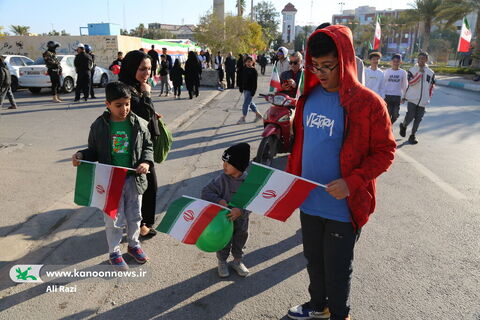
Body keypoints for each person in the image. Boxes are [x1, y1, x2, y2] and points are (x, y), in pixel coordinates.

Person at [286, 25, 396, 320]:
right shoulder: (307, 99)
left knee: (337, 270)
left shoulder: (369, 104)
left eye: (328, 66)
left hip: (343, 208)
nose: (321, 73)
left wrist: (352, 182)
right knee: (314, 262)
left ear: (344, 61)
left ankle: (338, 314)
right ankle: (317, 305)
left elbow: (386, 152)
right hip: (308, 202)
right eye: (315, 66)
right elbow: (301, 146)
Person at [71, 81, 153, 270]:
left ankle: (134, 245)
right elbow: (93, 151)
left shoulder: (139, 124)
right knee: (114, 219)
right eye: (118, 105)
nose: (124, 109)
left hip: (134, 180)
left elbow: (148, 147)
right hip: (110, 182)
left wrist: (145, 162)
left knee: (135, 216)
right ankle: (114, 251)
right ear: (107, 104)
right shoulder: (99, 126)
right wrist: (81, 155)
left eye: (127, 104)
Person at [118, 50, 162, 238]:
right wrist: (147, 96)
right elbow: (141, 115)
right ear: (131, 68)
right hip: (132, 148)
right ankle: (140, 225)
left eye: (150, 69)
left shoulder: (136, 86)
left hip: (143, 144)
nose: (147, 73)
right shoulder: (126, 90)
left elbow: (145, 115)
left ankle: (139, 223)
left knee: (147, 185)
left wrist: (153, 114)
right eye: (142, 69)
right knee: (144, 186)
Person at [201, 143, 251, 278]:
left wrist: (241, 211)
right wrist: (219, 201)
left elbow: (253, 202)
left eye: (228, 163)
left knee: (240, 239)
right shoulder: (221, 179)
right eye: (223, 162)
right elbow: (206, 191)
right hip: (223, 221)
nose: (224, 166)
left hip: (241, 222)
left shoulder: (249, 182)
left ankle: (237, 261)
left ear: (239, 166)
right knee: (223, 241)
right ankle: (222, 261)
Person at [399, 52, 435, 144]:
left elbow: (431, 86)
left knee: (418, 119)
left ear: (426, 60)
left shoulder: (430, 72)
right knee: (410, 116)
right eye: (419, 58)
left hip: (423, 100)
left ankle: (412, 135)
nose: (421, 60)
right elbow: (410, 83)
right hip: (412, 98)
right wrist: (419, 74)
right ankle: (404, 125)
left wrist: (428, 98)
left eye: (423, 58)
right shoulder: (412, 70)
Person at [383, 54, 408, 125]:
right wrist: (382, 95)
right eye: (394, 61)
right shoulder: (387, 71)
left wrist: (404, 96)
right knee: (388, 114)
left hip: (397, 96)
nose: (396, 63)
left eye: (398, 61)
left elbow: (404, 85)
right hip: (387, 96)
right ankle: (388, 128)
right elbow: (383, 84)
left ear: (400, 62)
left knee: (395, 115)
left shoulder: (403, 72)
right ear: (391, 62)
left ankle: (389, 126)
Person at [238, 56, 263, 124]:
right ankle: (258, 115)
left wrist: (253, 91)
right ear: (245, 62)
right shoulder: (244, 69)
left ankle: (243, 118)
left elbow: (255, 83)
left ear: (252, 62)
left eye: (250, 62)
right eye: (247, 62)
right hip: (245, 89)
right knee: (250, 103)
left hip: (250, 90)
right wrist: (241, 87)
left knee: (246, 104)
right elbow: (242, 79)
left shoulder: (254, 71)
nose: (248, 63)